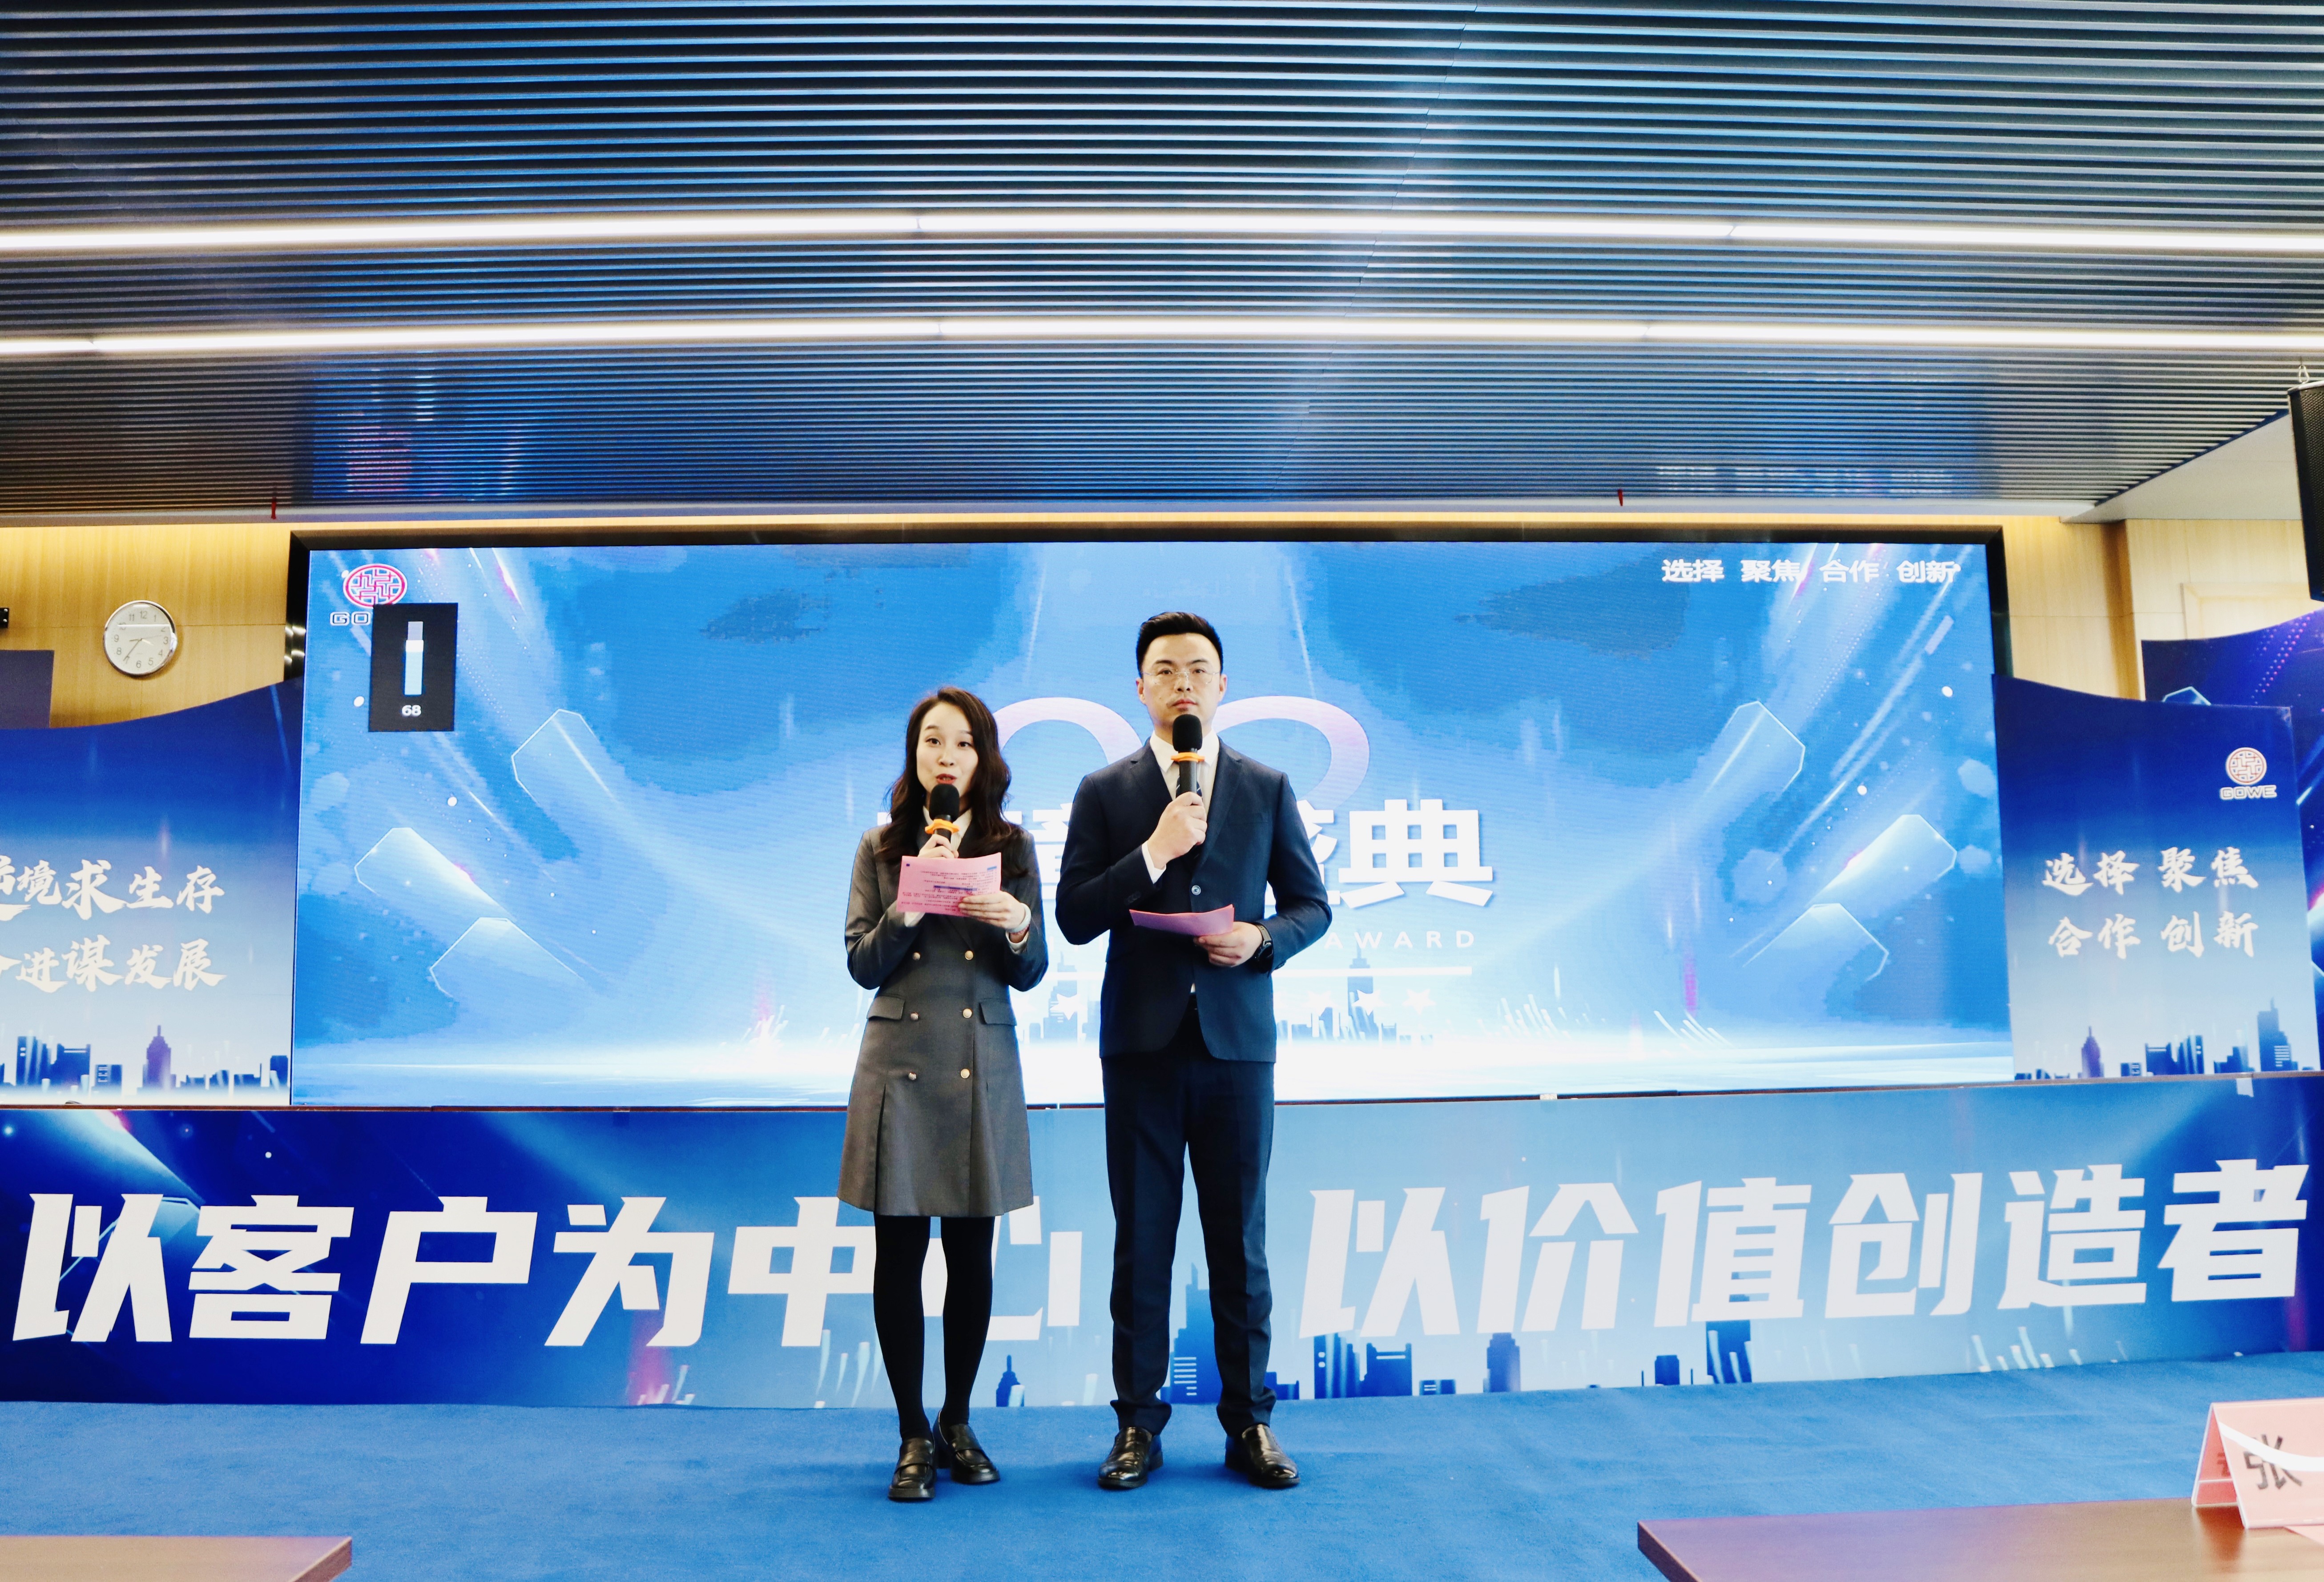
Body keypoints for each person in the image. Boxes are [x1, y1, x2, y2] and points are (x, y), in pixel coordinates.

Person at [1056, 612, 1332, 1492]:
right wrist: (1153, 851)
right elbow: (1073, 915)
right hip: (1141, 1046)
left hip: (1236, 1045)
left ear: (1222, 686)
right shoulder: (1105, 790)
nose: (1183, 683)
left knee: (1238, 1242)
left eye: (1198, 669)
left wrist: (1261, 939)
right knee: (1142, 1239)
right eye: (1166, 670)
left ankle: (1250, 1422)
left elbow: (1312, 905)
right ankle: (1137, 1425)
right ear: (1140, 688)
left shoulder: (1266, 785)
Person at [838, 686, 1047, 1502]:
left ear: (983, 757)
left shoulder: (1013, 846)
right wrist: (908, 904)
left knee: (970, 1255)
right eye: (933, 740)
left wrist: (1014, 922)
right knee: (898, 1257)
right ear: (914, 754)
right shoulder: (881, 846)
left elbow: (1030, 972)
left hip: (976, 1065)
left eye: (963, 742)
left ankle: (959, 1419)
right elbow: (861, 962)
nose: (947, 756)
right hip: (899, 1068)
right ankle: (911, 1431)